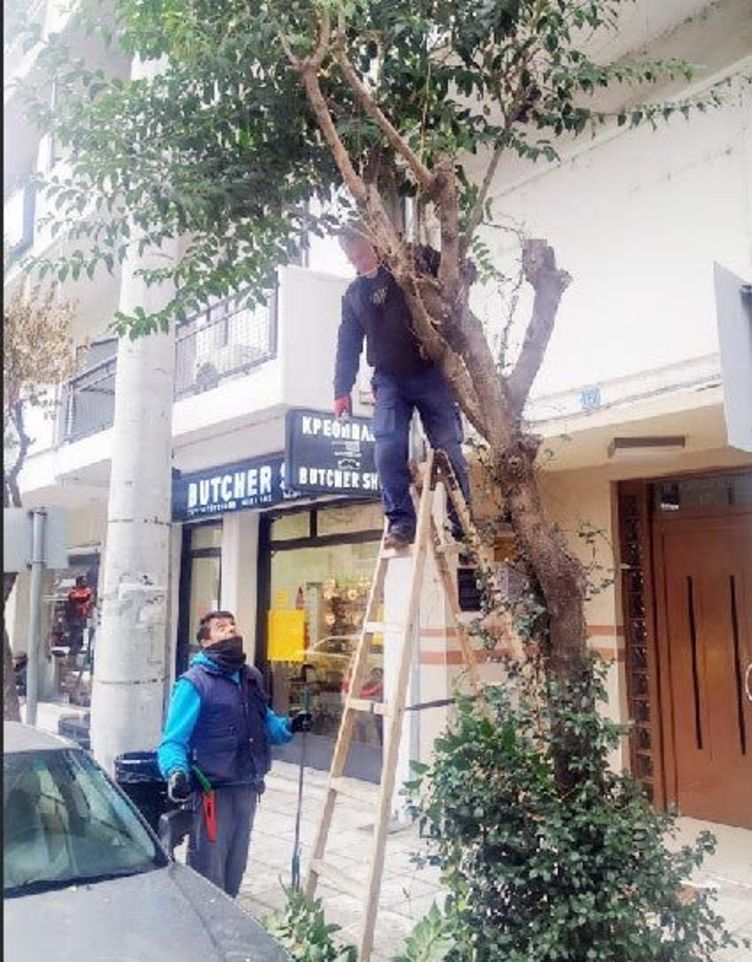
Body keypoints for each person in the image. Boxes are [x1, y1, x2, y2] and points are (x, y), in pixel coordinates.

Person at [333, 225, 471, 550]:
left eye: (363, 254)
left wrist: (466, 275)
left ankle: (463, 522)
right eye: (352, 259)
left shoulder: (411, 260)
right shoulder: (353, 295)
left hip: (429, 372)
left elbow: (453, 272)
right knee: (386, 448)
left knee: (449, 447)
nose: (359, 262)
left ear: (376, 243)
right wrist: (342, 389)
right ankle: (401, 523)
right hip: (389, 379)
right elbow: (348, 343)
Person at [157, 609, 312, 897]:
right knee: (208, 871)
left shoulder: (249, 676)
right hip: (213, 794)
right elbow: (173, 741)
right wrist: (176, 772)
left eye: (232, 625)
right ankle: (206, 931)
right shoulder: (195, 683)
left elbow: (266, 724)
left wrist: (290, 725)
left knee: (235, 868)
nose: (230, 630)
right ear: (205, 641)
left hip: (247, 788)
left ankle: (229, 925)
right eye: (220, 627)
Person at [65, 575, 94, 655]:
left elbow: (87, 598)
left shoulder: (87, 590)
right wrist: (87, 598)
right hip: (74, 616)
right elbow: (79, 599)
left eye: (85, 582)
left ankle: (76, 649)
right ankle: (73, 649)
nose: (84, 583)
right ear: (78, 583)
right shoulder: (73, 592)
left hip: (81, 616)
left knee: (79, 633)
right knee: (75, 633)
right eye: (83, 582)